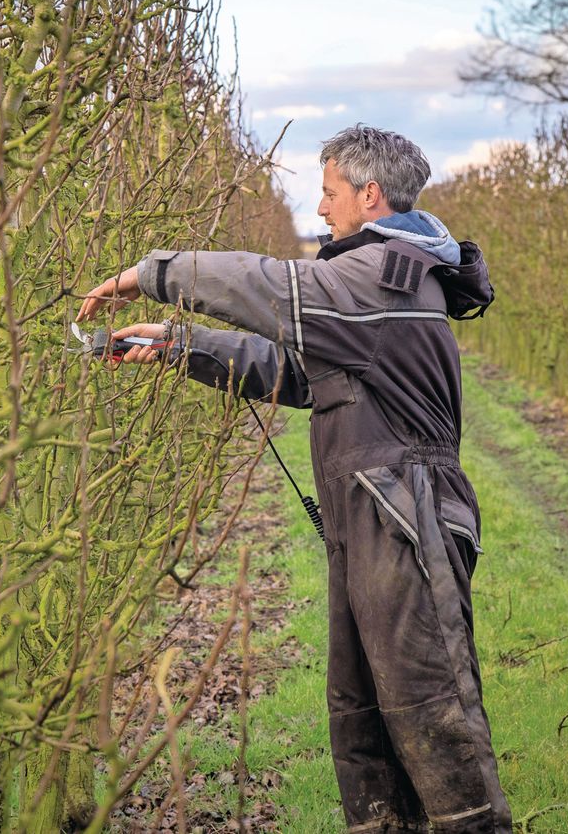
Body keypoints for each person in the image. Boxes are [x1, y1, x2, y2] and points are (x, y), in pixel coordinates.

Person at [76, 125, 511, 833]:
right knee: (364, 717)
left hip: (407, 526)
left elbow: (267, 286)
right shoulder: (382, 279)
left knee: (435, 718)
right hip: (374, 517)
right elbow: (298, 374)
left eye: (331, 193)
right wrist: (178, 343)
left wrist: (147, 274)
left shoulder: (382, 274)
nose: (320, 210)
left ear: (371, 195)